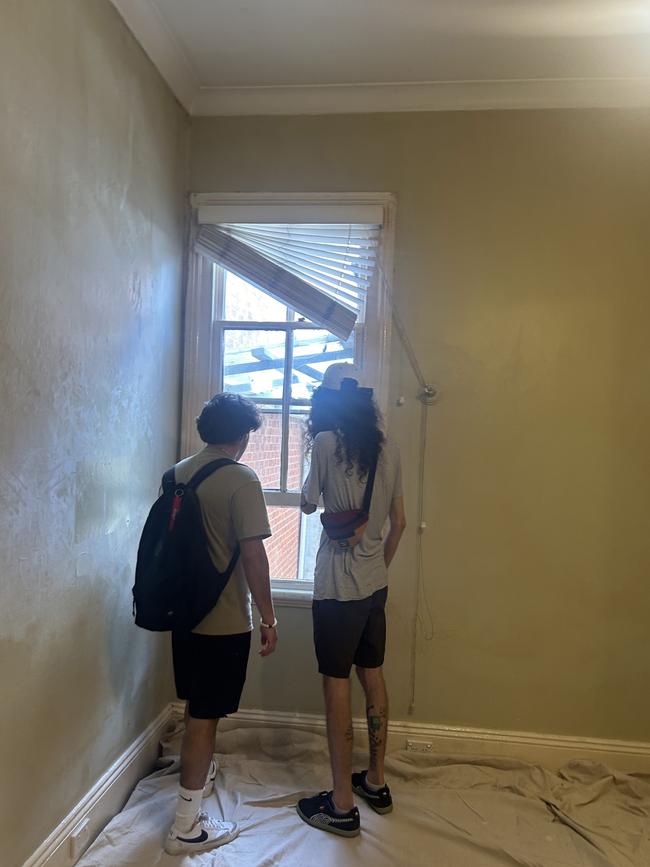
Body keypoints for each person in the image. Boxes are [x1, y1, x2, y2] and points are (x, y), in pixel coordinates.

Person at [165, 393, 278, 856]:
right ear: (241, 435)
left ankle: (200, 770)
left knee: (196, 705)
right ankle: (186, 825)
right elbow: (254, 555)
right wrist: (269, 617)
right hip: (224, 619)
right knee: (206, 718)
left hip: (183, 614)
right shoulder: (241, 479)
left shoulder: (176, 473)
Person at [296, 363, 406, 837]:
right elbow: (399, 522)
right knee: (373, 674)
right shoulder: (390, 448)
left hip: (338, 589)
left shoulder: (324, 443)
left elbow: (306, 501)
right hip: (374, 583)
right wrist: (375, 562)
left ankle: (341, 803)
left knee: (336, 683)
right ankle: (376, 782)